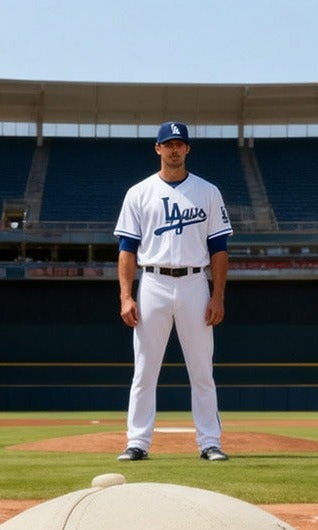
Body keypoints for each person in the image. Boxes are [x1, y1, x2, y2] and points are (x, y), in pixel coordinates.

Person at [114, 121, 232, 461]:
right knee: (144, 370)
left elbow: (219, 249)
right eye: (169, 144)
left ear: (188, 149)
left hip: (196, 281)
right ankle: (137, 442)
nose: (175, 149)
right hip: (152, 281)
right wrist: (125, 295)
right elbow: (127, 249)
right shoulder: (139, 193)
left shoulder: (207, 192)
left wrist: (218, 295)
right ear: (158, 148)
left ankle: (210, 442)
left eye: (180, 143)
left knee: (201, 370)